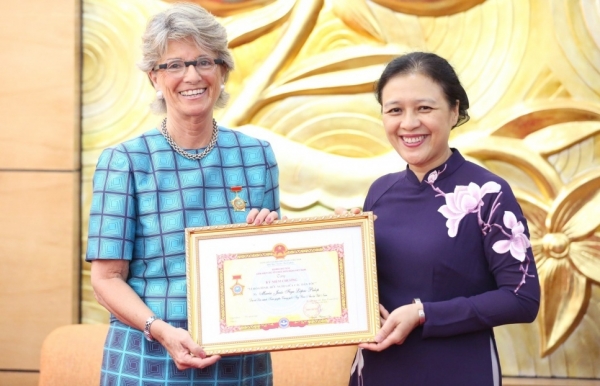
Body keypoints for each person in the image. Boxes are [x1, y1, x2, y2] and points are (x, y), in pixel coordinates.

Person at [86, 3, 280, 385]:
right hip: (148, 362)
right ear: (154, 79)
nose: (191, 75)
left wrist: (271, 240)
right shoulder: (124, 161)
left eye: (204, 61)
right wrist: (160, 330)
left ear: (222, 71)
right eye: (173, 65)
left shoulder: (257, 156)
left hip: (239, 365)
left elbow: (269, 270)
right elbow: (106, 280)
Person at [344, 52, 540, 386]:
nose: (408, 123)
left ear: (454, 111)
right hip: (376, 371)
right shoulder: (379, 192)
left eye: (424, 108)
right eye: (394, 110)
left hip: (457, 371)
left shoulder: (488, 193)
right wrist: (339, 242)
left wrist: (424, 314)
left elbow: (522, 298)